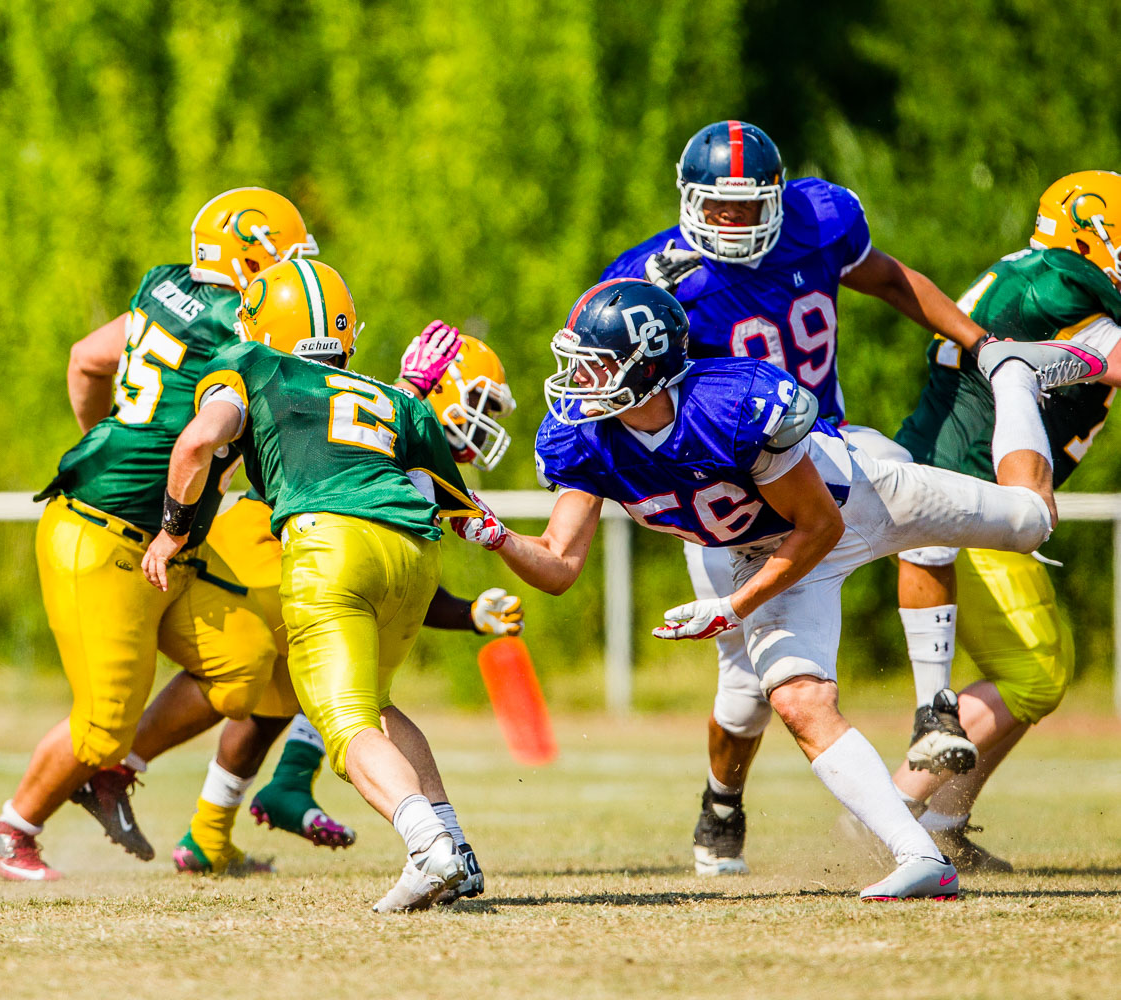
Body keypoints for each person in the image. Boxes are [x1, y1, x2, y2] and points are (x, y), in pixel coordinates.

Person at [455, 278, 1104, 900]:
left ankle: (1014, 375)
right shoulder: (585, 438)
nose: (579, 381)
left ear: (646, 367)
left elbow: (818, 526)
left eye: (596, 366)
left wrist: (734, 607)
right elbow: (561, 564)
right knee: (797, 699)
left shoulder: (730, 404)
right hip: (765, 550)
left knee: (1030, 521)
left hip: (859, 499)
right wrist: (497, 538)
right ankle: (921, 857)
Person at [601, 119, 996, 874]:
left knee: (932, 515)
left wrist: (979, 343)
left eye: (750, 207)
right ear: (690, 201)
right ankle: (722, 798)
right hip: (734, 492)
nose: (735, 222)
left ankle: (934, 708)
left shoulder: (819, 222)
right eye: (719, 207)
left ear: (779, 199)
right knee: (745, 692)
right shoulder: (657, 277)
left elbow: (886, 277)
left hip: (829, 447)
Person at [0, 188, 313, 880]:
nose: (293, 276)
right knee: (101, 719)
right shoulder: (238, 326)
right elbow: (213, 435)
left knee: (241, 663)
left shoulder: (172, 289)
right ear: (252, 256)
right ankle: (9, 833)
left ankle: (112, 774)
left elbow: (85, 359)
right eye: (285, 259)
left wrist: (108, 438)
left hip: (160, 535)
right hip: (109, 535)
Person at [140, 258, 488, 912]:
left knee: (347, 724)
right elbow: (457, 506)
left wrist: (172, 531)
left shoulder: (250, 364)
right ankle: (458, 850)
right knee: (379, 703)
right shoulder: (394, 397)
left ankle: (428, 849)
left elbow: (194, 445)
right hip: (416, 553)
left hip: (330, 544)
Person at [887, 170, 1121, 869]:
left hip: (962, 483)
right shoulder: (1062, 282)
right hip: (971, 491)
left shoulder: (1048, 277)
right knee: (1034, 673)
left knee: (1041, 670)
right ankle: (892, 814)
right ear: (1090, 232)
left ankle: (940, 820)